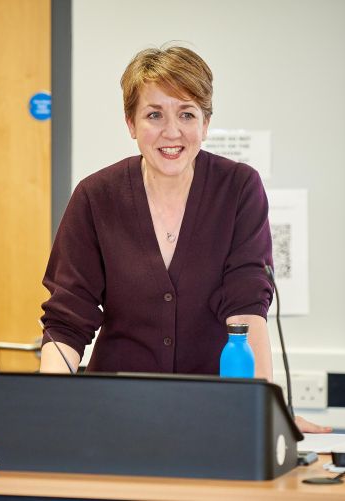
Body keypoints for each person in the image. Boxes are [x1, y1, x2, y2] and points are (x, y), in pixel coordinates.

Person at [39, 45, 330, 433]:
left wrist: (264, 412)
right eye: (154, 114)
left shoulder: (239, 189)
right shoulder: (95, 197)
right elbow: (67, 322)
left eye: (187, 114)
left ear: (206, 124)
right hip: (112, 416)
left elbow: (246, 309)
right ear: (131, 123)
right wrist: (44, 410)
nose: (171, 132)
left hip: (213, 416)